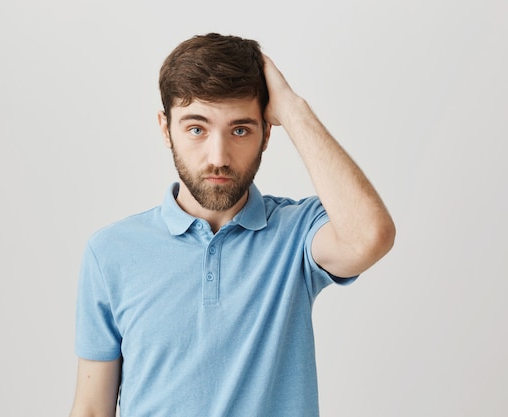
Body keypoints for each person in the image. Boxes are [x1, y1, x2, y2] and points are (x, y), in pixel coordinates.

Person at [68, 33, 395, 417]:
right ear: (165, 128)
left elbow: (369, 236)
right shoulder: (111, 252)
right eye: (197, 129)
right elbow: (92, 409)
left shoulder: (296, 233)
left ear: (266, 133)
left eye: (240, 130)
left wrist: (293, 109)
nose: (218, 157)